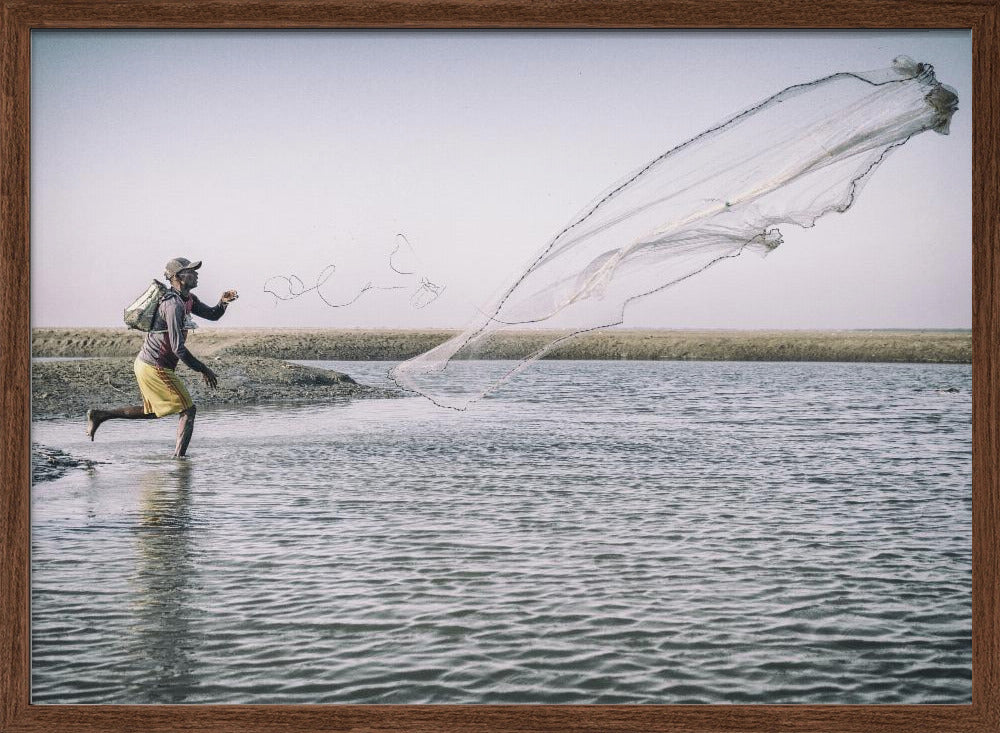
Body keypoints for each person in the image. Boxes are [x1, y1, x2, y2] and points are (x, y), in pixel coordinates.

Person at [86, 257, 238, 457]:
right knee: (188, 410)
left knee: (152, 411)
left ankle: (100, 415)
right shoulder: (172, 304)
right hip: (154, 366)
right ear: (177, 277)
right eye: (191, 271)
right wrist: (204, 369)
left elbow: (212, 315)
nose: (196, 274)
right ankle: (179, 462)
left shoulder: (188, 299)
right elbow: (178, 348)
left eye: (195, 270)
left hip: (147, 364)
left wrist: (223, 303)